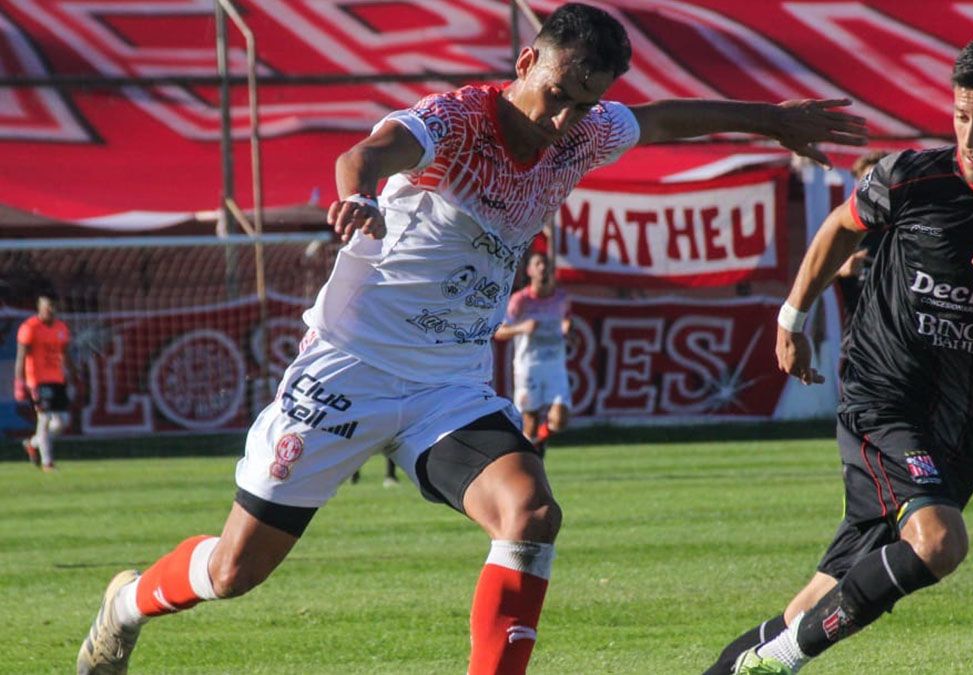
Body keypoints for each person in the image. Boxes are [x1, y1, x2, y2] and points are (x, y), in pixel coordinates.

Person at [75, 3, 866, 673]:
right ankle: (126, 602)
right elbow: (366, 153)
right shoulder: (454, 120)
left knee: (531, 513)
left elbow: (659, 120)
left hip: (446, 386)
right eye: (556, 95)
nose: (564, 120)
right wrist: (358, 197)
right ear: (526, 63)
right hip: (349, 369)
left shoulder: (583, 134)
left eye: (584, 105)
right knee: (232, 570)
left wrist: (773, 121)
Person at [706, 33, 973, 674]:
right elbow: (840, 227)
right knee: (940, 543)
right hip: (883, 398)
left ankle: (750, 660)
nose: (970, 137)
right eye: (961, 115)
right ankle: (782, 660)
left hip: (970, 424)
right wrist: (792, 316)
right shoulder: (910, 177)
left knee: (815, 603)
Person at [493, 251, 572, 456]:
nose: (542, 268)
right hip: (529, 366)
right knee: (530, 421)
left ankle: (538, 442)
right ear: (529, 270)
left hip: (555, 365)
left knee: (560, 419)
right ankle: (532, 455)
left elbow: (566, 320)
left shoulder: (560, 298)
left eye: (545, 264)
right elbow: (499, 332)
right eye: (537, 264)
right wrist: (522, 328)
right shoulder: (520, 300)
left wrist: (568, 330)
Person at [13, 293, 72, 472]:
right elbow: (21, 356)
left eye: (54, 307)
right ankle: (47, 463)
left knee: (62, 422)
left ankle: (32, 444)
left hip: (57, 379)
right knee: (44, 419)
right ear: (39, 308)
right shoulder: (29, 328)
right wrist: (19, 382)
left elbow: (65, 354)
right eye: (48, 307)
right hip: (38, 381)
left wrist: (74, 373)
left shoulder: (61, 328)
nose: (51, 310)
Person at [832, 150, 887, 318]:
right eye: (867, 182)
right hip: (856, 327)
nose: (874, 190)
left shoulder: (907, 231)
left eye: (881, 181)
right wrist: (842, 272)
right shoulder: (845, 232)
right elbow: (816, 285)